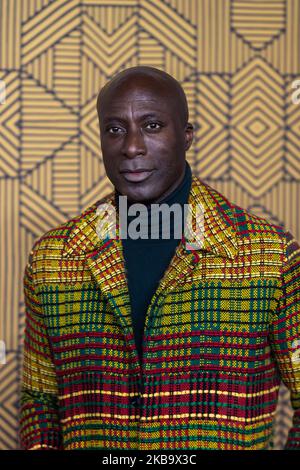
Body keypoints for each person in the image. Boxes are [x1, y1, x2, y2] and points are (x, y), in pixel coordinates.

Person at [19, 66, 300, 450]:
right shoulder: (52, 259)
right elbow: (40, 401)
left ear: (186, 137)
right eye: (115, 129)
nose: (131, 147)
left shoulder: (269, 256)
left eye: (152, 126)